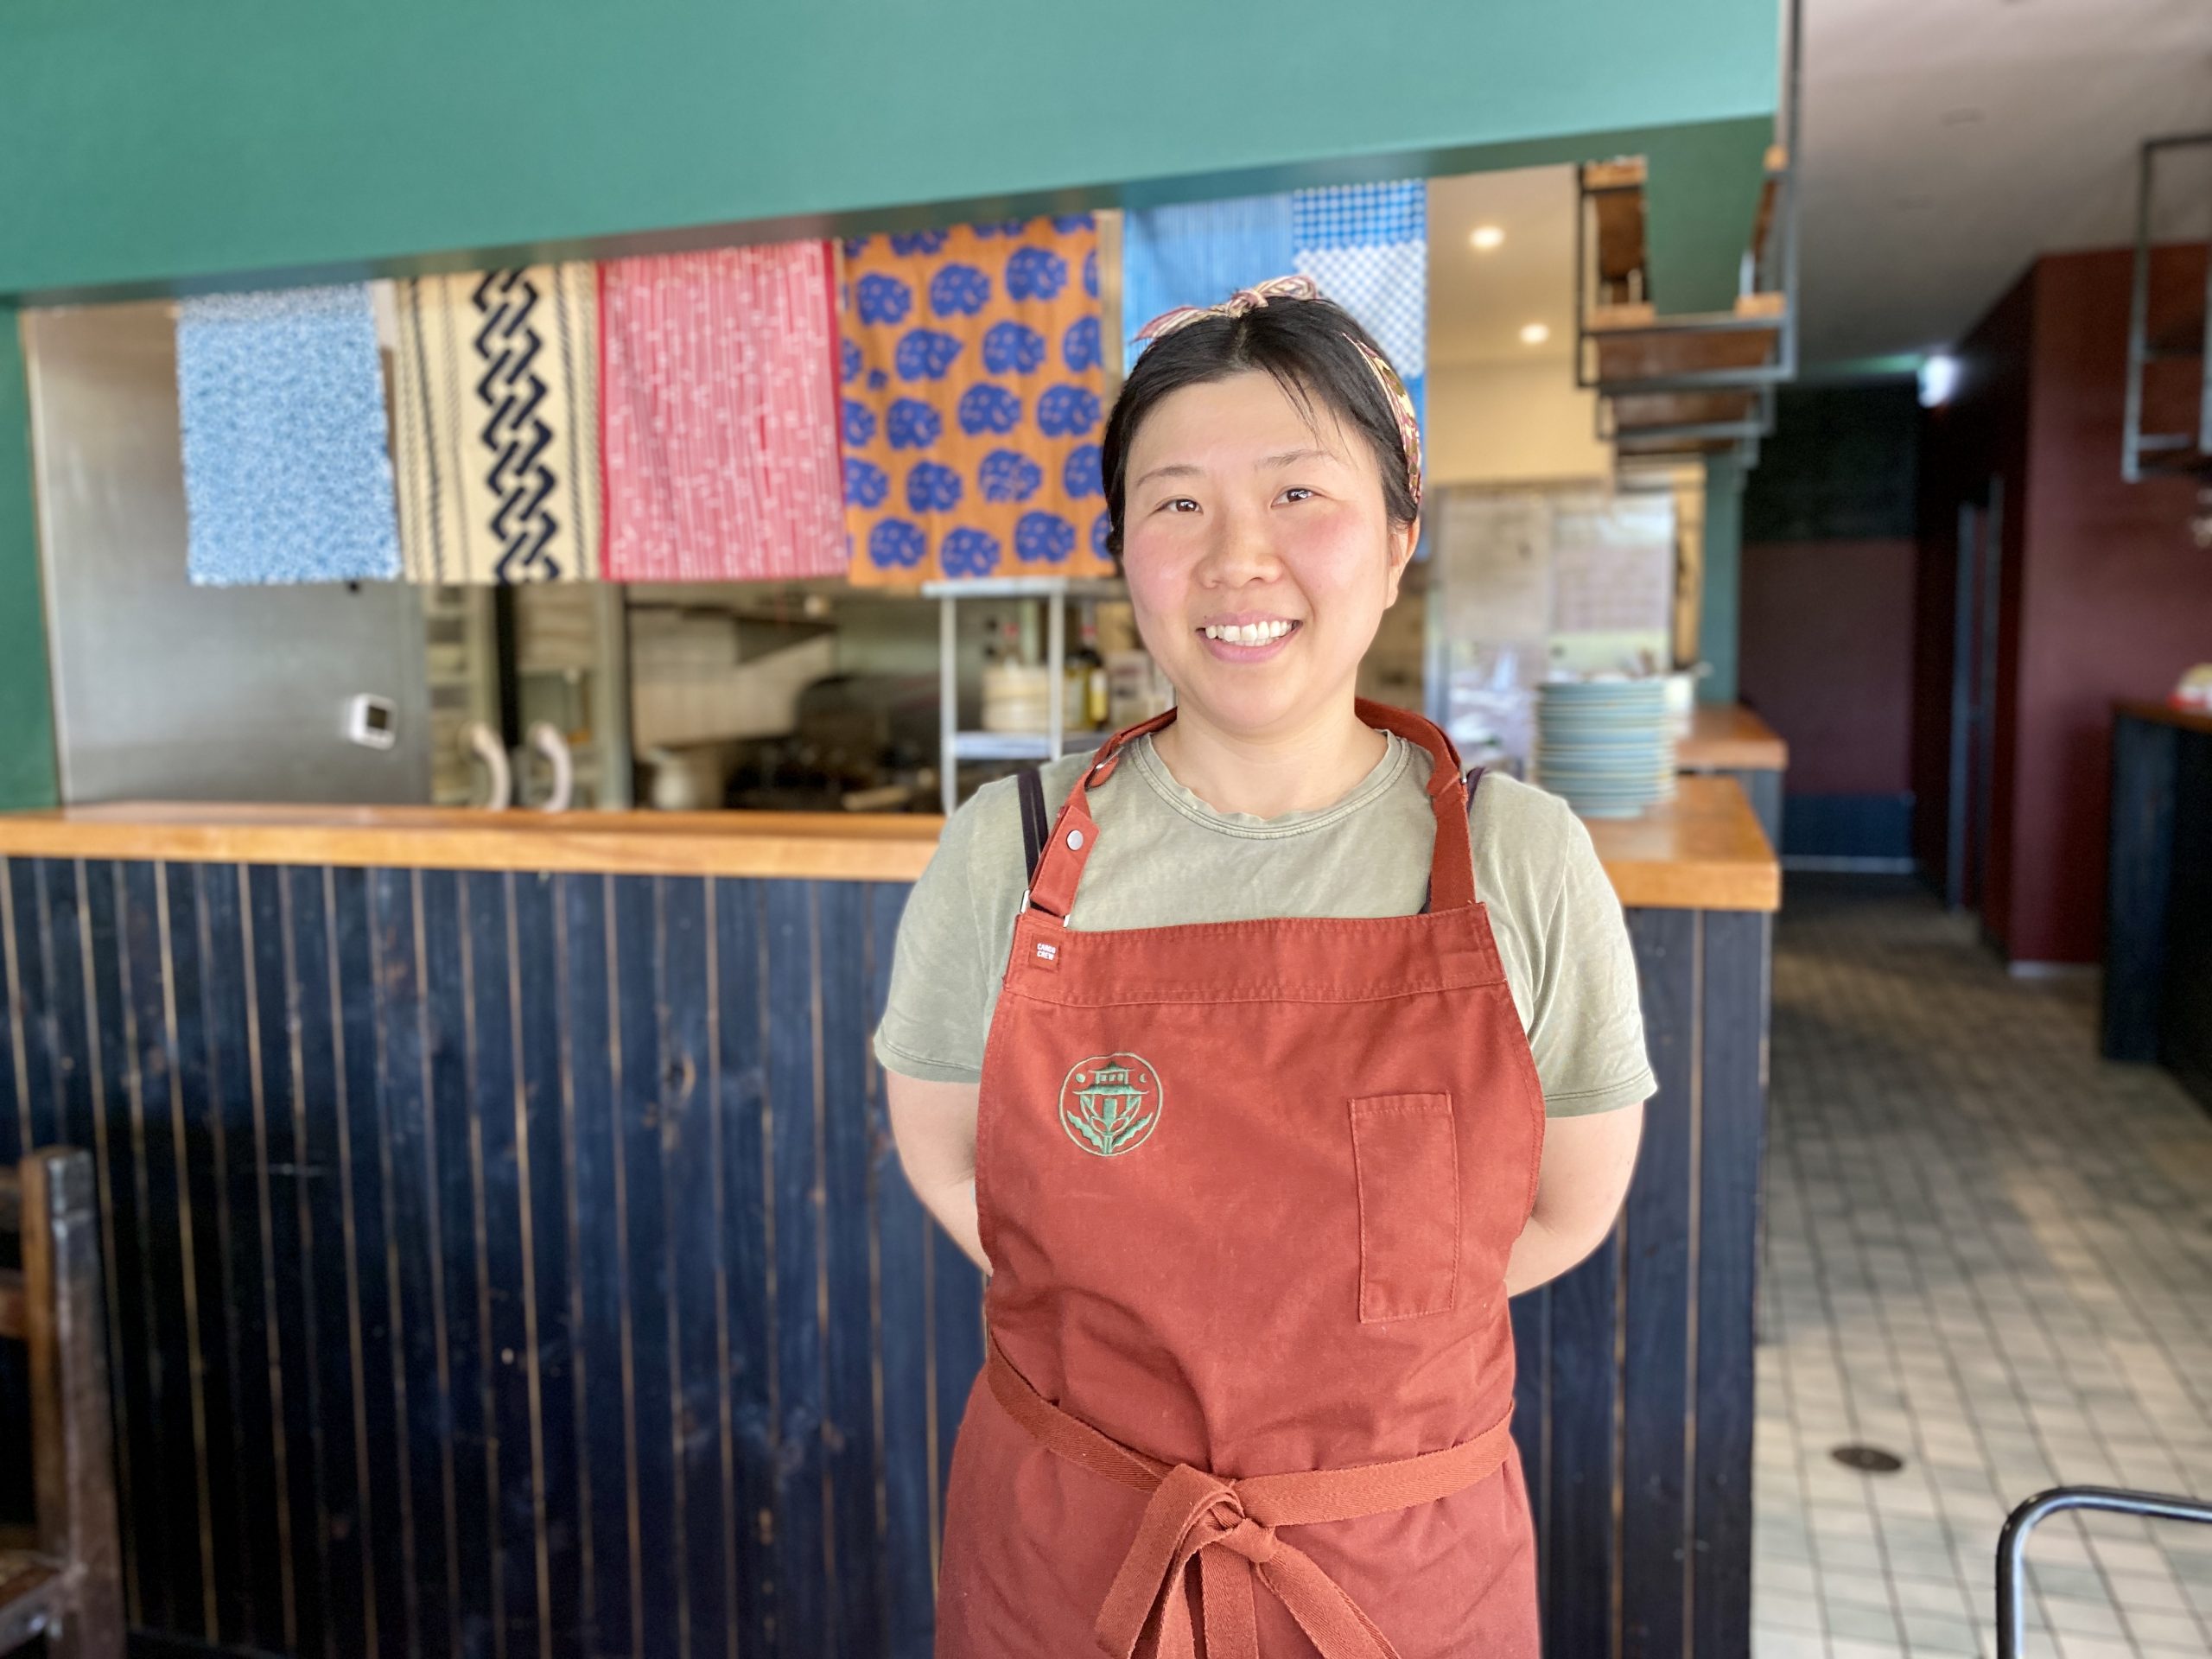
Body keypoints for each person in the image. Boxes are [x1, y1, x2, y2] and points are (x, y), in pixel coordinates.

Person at [874, 275, 1653, 1658]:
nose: (1238, 556)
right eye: (1177, 503)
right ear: (1122, 551)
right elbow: (955, 1170)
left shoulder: (1522, 859)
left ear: (1402, 535)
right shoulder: (1008, 848)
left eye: (1301, 494)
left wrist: (1336, 1349)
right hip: (1076, 1555)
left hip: (1403, 1571)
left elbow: (1563, 1212)